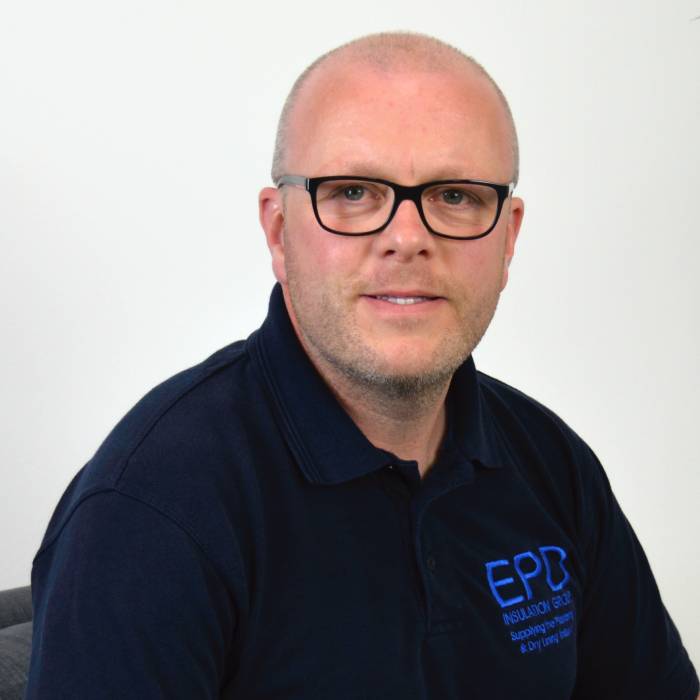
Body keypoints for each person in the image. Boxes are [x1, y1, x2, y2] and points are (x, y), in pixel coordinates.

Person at [25, 31, 698, 699]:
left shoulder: (552, 466)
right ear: (280, 232)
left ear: (509, 234)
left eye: (456, 196)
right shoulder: (150, 513)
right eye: (353, 193)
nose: (408, 238)